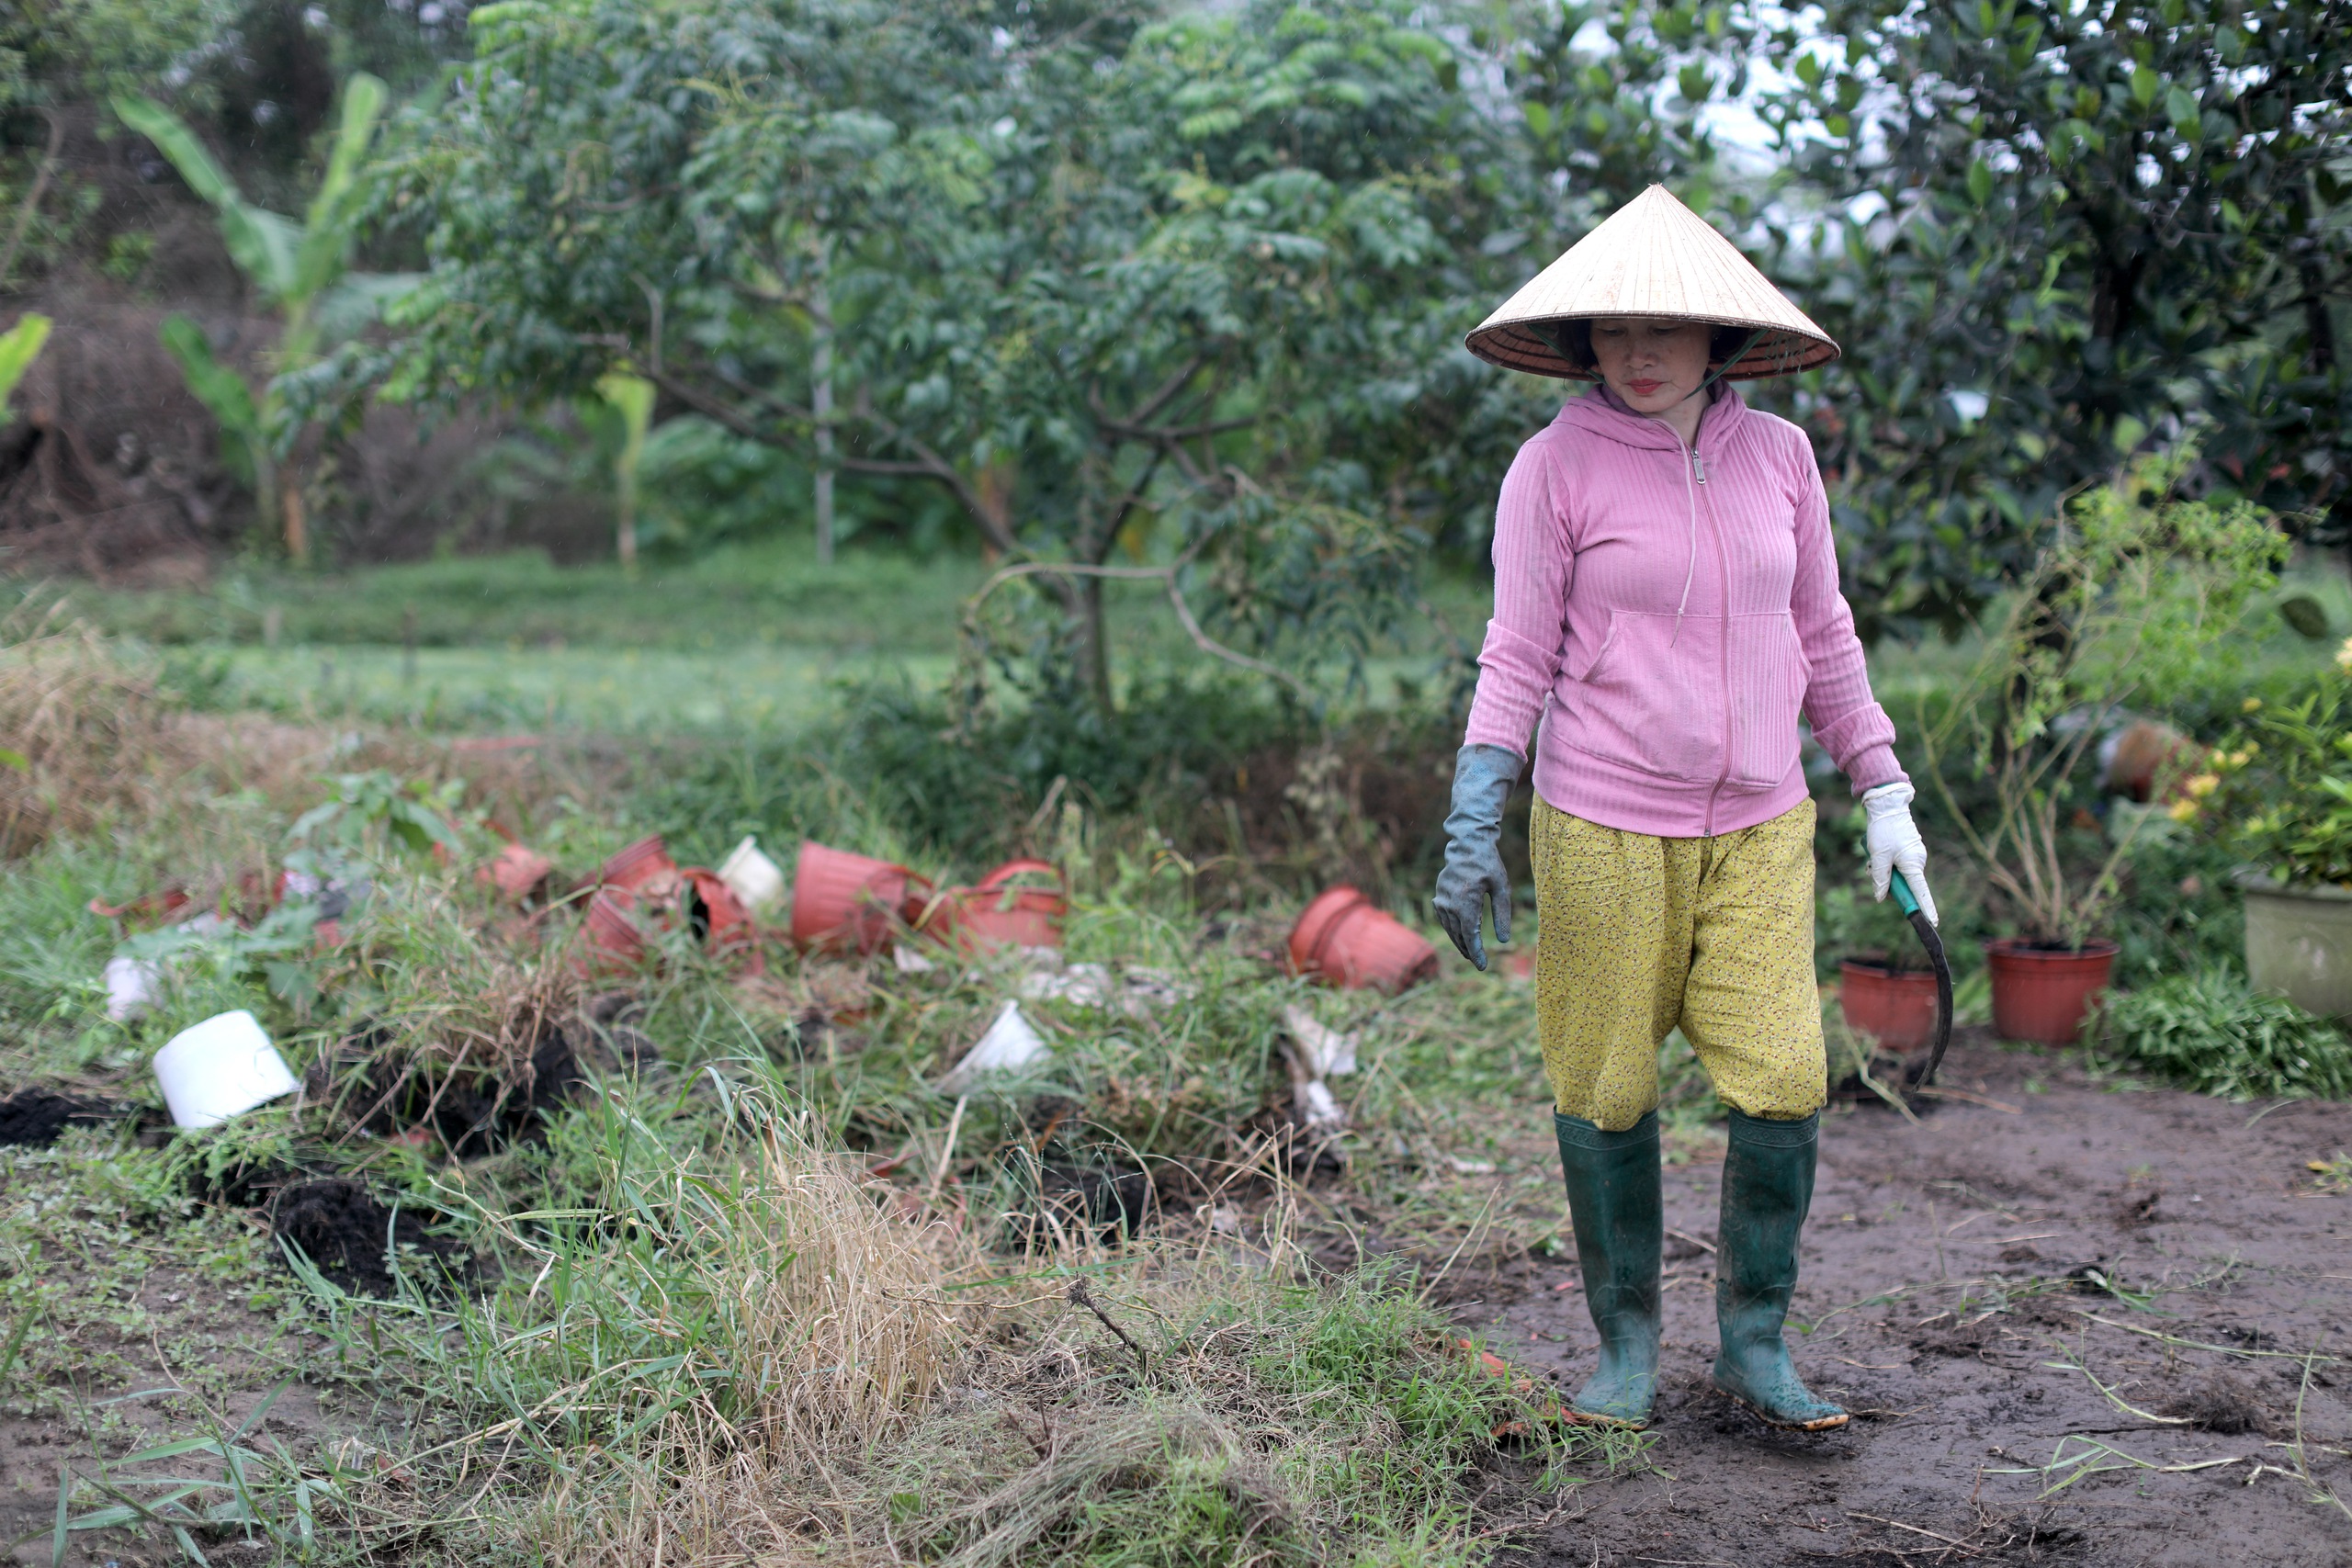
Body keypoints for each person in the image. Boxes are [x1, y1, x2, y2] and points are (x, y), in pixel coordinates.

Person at [1435, 186, 1937, 1432]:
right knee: (1605, 1087)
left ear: (1721, 338)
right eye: (1615, 331)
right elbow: (1515, 654)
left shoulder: (1781, 456)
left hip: (1763, 826)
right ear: (1584, 342)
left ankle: (1753, 1346)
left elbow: (1822, 631)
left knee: (1782, 1076)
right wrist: (1472, 815)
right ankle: (1626, 1351)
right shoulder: (1553, 467)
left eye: (1667, 329)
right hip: (1601, 824)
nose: (1641, 354)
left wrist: (1882, 787)